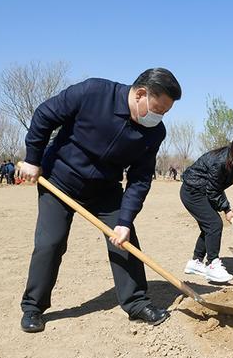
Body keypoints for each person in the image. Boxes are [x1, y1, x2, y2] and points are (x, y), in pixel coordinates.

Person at [17, 68, 182, 333]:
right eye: (158, 109)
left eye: (165, 113)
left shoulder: (154, 133)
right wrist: (33, 159)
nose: (159, 117)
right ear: (140, 94)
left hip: (105, 189)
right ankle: (33, 307)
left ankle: (137, 303)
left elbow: (140, 179)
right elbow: (45, 115)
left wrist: (125, 220)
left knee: (124, 241)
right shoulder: (93, 92)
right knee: (51, 242)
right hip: (59, 179)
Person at [180, 130, 233, 283]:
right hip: (192, 191)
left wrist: (226, 208)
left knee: (208, 226)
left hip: (202, 191)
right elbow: (213, 189)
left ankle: (195, 262)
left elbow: (216, 188)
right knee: (214, 224)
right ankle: (213, 264)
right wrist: (227, 209)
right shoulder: (221, 161)